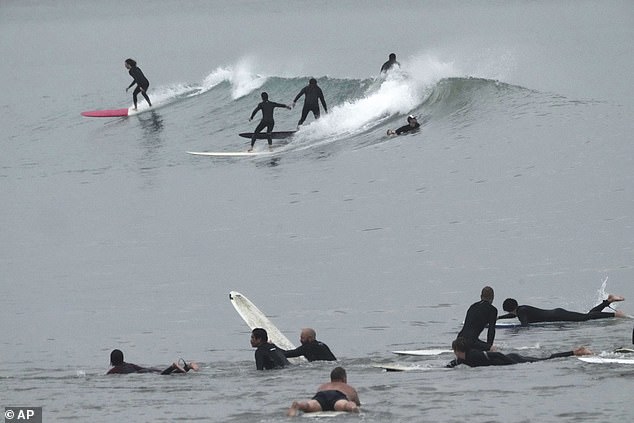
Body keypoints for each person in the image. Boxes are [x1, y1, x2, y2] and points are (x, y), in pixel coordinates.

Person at [447, 337, 592, 368]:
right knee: (544, 359)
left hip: (513, 359)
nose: (454, 354)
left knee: (546, 360)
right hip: (511, 360)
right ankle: (576, 351)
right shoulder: (463, 358)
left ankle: (576, 352)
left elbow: (497, 355)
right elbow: (455, 363)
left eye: (455, 351)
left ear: (459, 350)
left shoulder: (474, 355)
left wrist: (514, 365)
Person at [498, 294, 626, 326]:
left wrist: (518, 331)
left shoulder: (521, 312)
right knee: (586, 316)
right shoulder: (521, 309)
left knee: (585, 318)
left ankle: (614, 315)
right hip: (557, 313)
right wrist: (497, 318)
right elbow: (513, 316)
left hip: (558, 315)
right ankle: (608, 301)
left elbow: (525, 325)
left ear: (509, 310)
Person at [287, 367, 360, 417]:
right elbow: (357, 403)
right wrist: (354, 405)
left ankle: (299, 405)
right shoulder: (347, 387)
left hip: (321, 396)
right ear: (344, 379)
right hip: (338, 396)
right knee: (346, 405)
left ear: (331, 379)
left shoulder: (324, 386)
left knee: (309, 405)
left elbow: (317, 397)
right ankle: (352, 408)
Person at [457, 286, 498, 351]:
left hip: (459, 339)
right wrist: (489, 346)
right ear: (492, 297)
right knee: (494, 349)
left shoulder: (473, 306)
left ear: (481, 296)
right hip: (471, 342)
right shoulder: (492, 310)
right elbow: (491, 330)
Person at [106, 349, 199, 375]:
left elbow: (107, 375)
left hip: (141, 374)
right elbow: (142, 368)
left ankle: (173, 366)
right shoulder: (129, 364)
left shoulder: (114, 370)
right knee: (167, 373)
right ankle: (188, 367)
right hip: (147, 370)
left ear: (112, 360)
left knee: (165, 374)